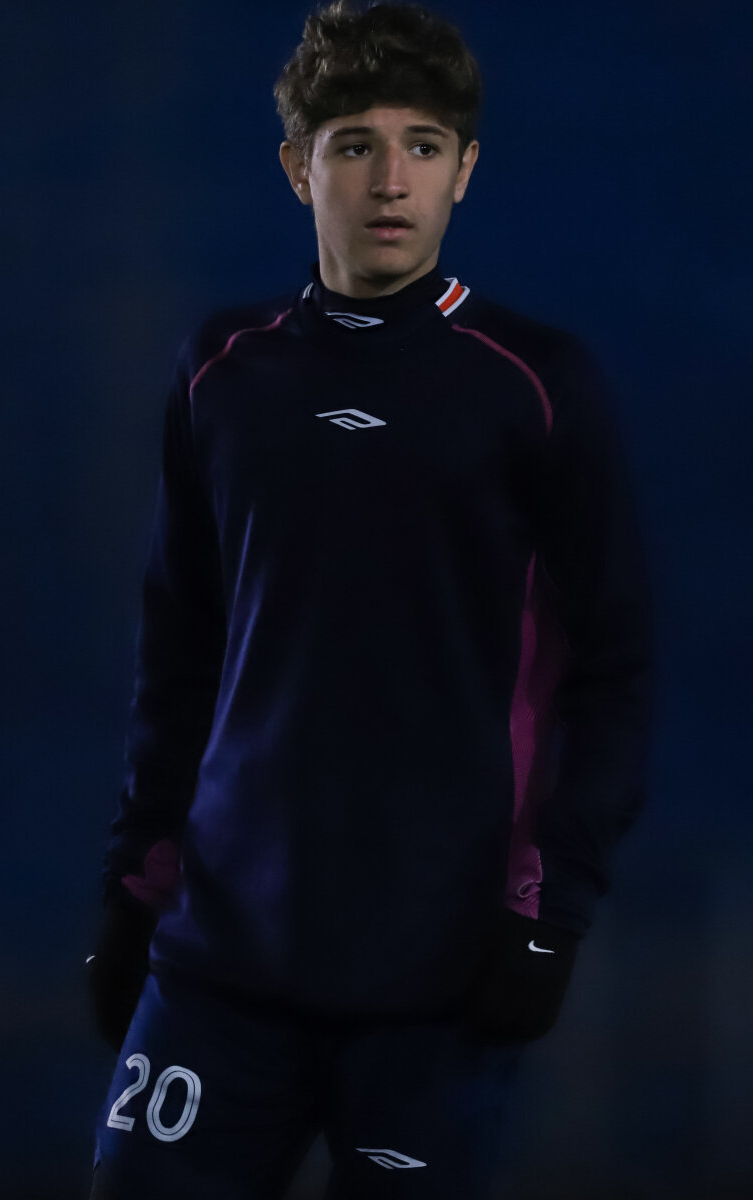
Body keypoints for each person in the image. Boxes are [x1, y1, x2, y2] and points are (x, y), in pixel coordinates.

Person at [85, 1, 656, 1196]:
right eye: (353, 145)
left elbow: (612, 672)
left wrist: (549, 912)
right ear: (298, 168)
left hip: (437, 981)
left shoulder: (535, 384)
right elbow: (181, 651)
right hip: (223, 964)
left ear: (464, 170)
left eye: (422, 145)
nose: (390, 179)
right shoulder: (223, 370)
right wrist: (136, 888)